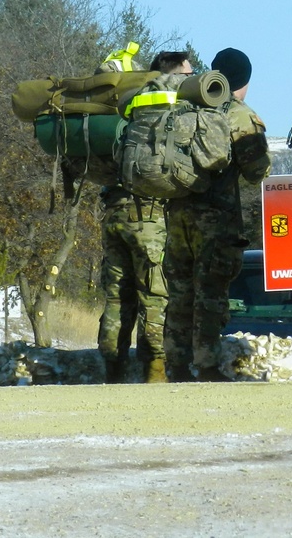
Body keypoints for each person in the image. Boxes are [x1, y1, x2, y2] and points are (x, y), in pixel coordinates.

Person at [162, 48, 271, 382]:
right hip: (216, 220)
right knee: (210, 292)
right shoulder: (238, 114)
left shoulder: (186, 105)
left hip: (177, 215)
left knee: (179, 292)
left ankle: (175, 365)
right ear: (244, 81)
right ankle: (208, 365)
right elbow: (257, 171)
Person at [96, 50, 191, 383]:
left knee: (116, 297)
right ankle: (155, 370)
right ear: (173, 73)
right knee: (154, 296)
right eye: (187, 73)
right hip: (149, 217)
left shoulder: (131, 108)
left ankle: (113, 369)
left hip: (115, 213)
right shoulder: (174, 109)